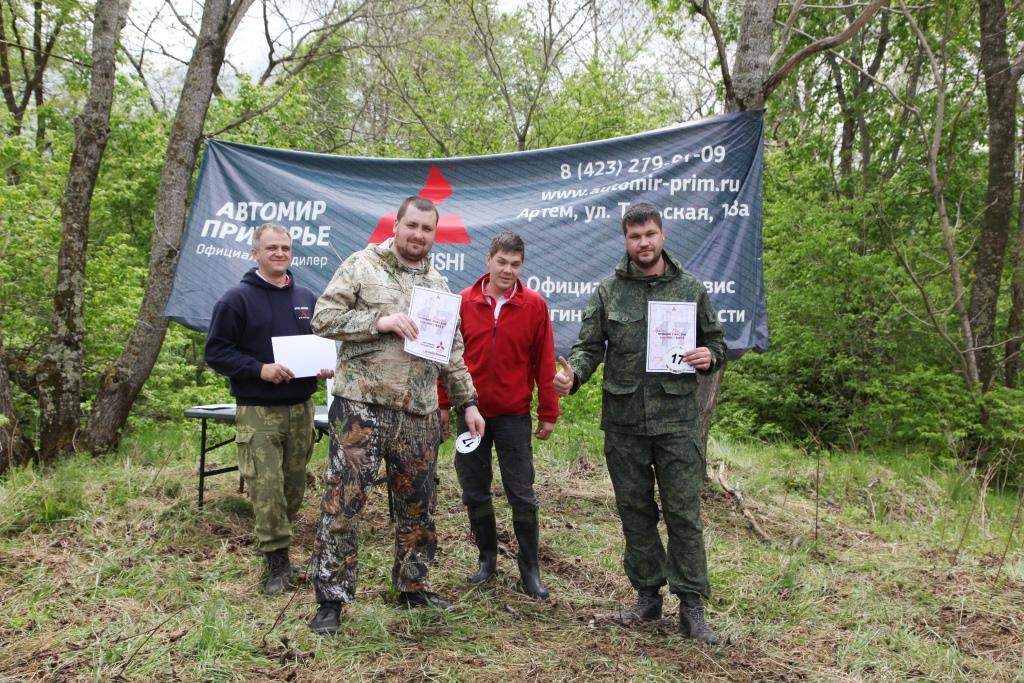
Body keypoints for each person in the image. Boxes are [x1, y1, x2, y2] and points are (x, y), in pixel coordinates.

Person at [307, 196, 486, 635]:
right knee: (344, 504)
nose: (418, 235)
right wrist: (380, 321)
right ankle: (331, 600)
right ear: (397, 225)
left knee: (418, 507)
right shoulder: (361, 266)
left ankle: (412, 587)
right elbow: (323, 318)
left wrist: (468, 402)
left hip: (418, 414)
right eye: (412, 226)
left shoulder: (439, 287)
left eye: (427, 229)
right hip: (360, 407)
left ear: (434, 234)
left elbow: (453, 354)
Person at [553, 203, 726, 645]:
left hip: (676, 422)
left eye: (649, 234)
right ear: (626, 240)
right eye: (635, 236)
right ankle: (647, 597)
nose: (643, 243)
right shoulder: (609, 291)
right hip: (625, 421)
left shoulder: (691, 289)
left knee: (684, 514)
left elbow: (717, 343)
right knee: (635, 511)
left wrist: (710, 356)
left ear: (662, 234)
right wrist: (574, 376)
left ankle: (692, 607)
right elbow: (588, 347)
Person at [204, 223, 334, 596]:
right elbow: (216, 352)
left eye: (285, 248)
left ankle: (278, 546)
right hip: (258, 410)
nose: (279, 253)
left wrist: (324, 365)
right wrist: (258, 369)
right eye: (272, 248)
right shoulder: (236, 299)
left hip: (301, 408)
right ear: (255, 253)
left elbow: (320, 343)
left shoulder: (306, 297)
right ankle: (277, 561)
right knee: (267, 486)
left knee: (293, 485)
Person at [438, 231, 559, 599]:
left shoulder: (534, 305)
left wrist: (548, 411)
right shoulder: (463, 301)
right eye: (502, 262)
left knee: (521, 493)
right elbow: (446, 358)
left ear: (522, 266)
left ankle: (530, 570)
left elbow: (544, 361)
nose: (508, 270)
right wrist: (443, 404)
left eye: (515, 264)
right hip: (469, 412)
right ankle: (487, 560)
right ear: (488, 260)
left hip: (513, 415)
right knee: (474, 490)